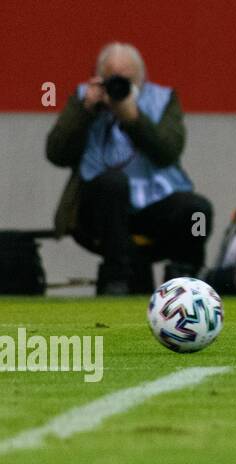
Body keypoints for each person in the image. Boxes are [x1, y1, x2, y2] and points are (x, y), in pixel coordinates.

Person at [45, 43, 213, 295]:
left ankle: (185, 280)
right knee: (113, 183)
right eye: (112, 79)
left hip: (155, 206)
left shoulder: (163, 99)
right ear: (99, 78)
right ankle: (117, 279)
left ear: (141, 79)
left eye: (127, 80)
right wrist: (85, 111)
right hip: (99, 213)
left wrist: (133, 119)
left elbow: (168, 152)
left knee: (197, 212)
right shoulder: (84, 99)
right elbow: (56, 153)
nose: (118, 87)